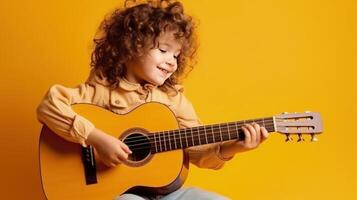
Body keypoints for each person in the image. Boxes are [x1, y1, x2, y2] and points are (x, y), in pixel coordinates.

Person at [36, 1, 269, 199]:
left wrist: (232, 147)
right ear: (131, 46)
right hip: (118, 194)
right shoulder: (101, 89)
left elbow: (198, 151)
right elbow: (49, 105)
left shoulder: (173, 99)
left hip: (168, 194)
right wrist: (96, 138)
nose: (172, 62)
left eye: (177, 55)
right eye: (163, 50)